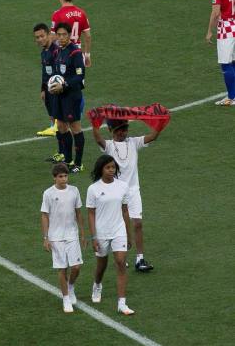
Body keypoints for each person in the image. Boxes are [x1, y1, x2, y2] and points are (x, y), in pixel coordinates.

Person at [91, 118, 163, 272]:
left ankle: (140, 258)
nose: (123, 132)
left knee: (137, 223)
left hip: (132, 189)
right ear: (111, 130)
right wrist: (94, 123)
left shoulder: (133, 142)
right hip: (116, 192)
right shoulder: (109, 145)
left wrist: (161, 122)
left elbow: (153, 136)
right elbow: (98, 139)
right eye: (119, 130)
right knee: (120, 225)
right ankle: (121, 255)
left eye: (125, 129)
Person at [86, 155, 134, 315]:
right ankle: (97, 285)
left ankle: (122, 303)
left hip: (119, 230)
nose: (111, 170)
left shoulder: (123, 186)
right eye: (108, 167)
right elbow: (91, 214)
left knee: (121, 262)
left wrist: (129, 234)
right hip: (101, 232)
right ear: (101, 169)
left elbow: (125, 211)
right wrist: (93, 237)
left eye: (113, 167)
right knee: (102, 264)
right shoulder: (93, 189)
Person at [40, 163, 86, 313]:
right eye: (60, 176)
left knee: (77, 267)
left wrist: (82, 233)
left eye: (65, 176)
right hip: (56, 236)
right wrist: (46, 237)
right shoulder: (48, 193)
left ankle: (70, 286)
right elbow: (44, 215)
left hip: (72, 234)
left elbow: (78, 212)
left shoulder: (74, 191)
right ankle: (66, 298)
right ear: (54, 178)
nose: (64, 179)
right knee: (62, 268)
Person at [49, 22, 85, 174]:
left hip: (72, 96)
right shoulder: (58, 51)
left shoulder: (75, 52)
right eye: (59, 35)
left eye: (65, 34)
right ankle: (68, 160)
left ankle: (78, 163)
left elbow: (80, 76)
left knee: (75, 128)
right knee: (62, 127)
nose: (62, 37)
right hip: (59, 96)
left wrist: (64, 85)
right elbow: (58, 74)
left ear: (70, 35)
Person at [206, 0, 235, 106]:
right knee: (233, 61)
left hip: (226, 27)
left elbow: (216, 12)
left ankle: (232, 97)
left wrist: (209, 31)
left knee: (225, 63)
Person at [51, 0, 91, 68]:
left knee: (62, 80)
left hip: (63, 55)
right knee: (78, 79)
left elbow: (53, 38)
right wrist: (87, 55)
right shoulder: (82, 13)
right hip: (78, 54)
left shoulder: (57, 14)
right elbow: (88, 36)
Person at [33, 23, 59, 138]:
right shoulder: (44, 52)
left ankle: (57, 127)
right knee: (49, 105)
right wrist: (43, 89)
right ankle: (53, 126)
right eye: (37, 37)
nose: (40, 39)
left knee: (58, 107)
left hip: (57, 87)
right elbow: (44, 72)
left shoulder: (56, 51)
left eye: (42, 36)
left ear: (49, 35)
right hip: (48, 87)